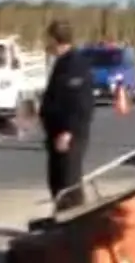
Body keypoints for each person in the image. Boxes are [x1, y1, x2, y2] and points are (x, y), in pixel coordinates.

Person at [39, 20, 95, 211]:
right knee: (57, 182)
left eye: (49, 39)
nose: (46, 44)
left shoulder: (75, 64)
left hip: (69, 136)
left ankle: (75, 225)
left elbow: (80, 104)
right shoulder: (61, 63)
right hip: (56, 134)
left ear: (57, 40)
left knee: (68, 184)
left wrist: (68, 132)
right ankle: (64, 222)